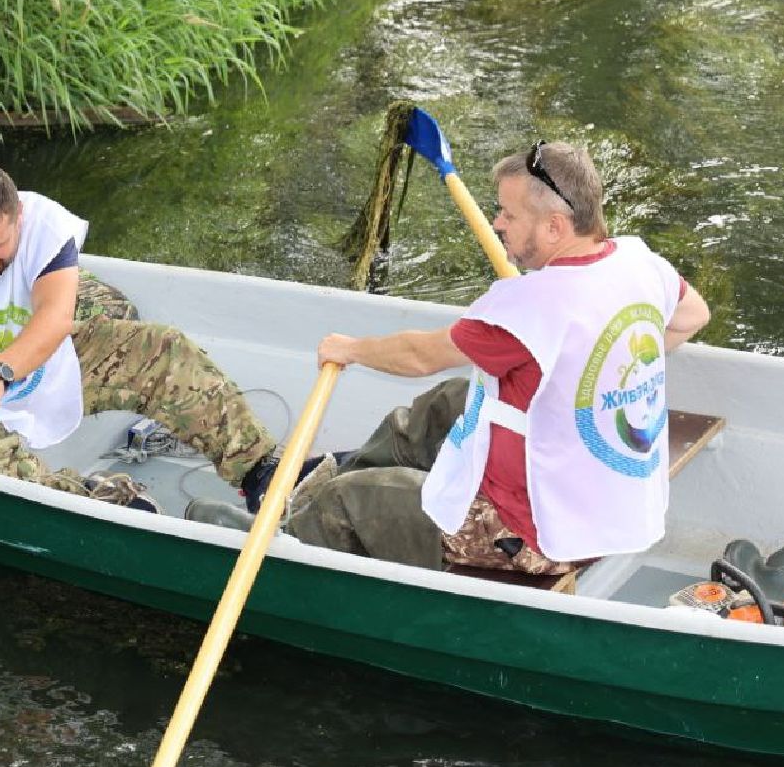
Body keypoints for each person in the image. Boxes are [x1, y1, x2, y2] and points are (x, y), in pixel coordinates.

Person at [285, 139, 711, 574]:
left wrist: (350, 349)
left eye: (510, 214)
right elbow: (694, 314)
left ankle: (301, 528)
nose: (497, 223)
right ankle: (326, 475)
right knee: (451, 400)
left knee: (343, 503)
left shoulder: (531, 305)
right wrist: (597, 368)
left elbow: (419, 356)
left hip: (532, 535)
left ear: (554, 227)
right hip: (606, 510)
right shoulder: (641, 264)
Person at [0, 161, 311, 512]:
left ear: (17, 216)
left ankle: (256, 469)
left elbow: (53, 317)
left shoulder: (45, 223)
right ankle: (93, 498)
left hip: (36, 360)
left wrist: (1, 371)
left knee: (163, 350)